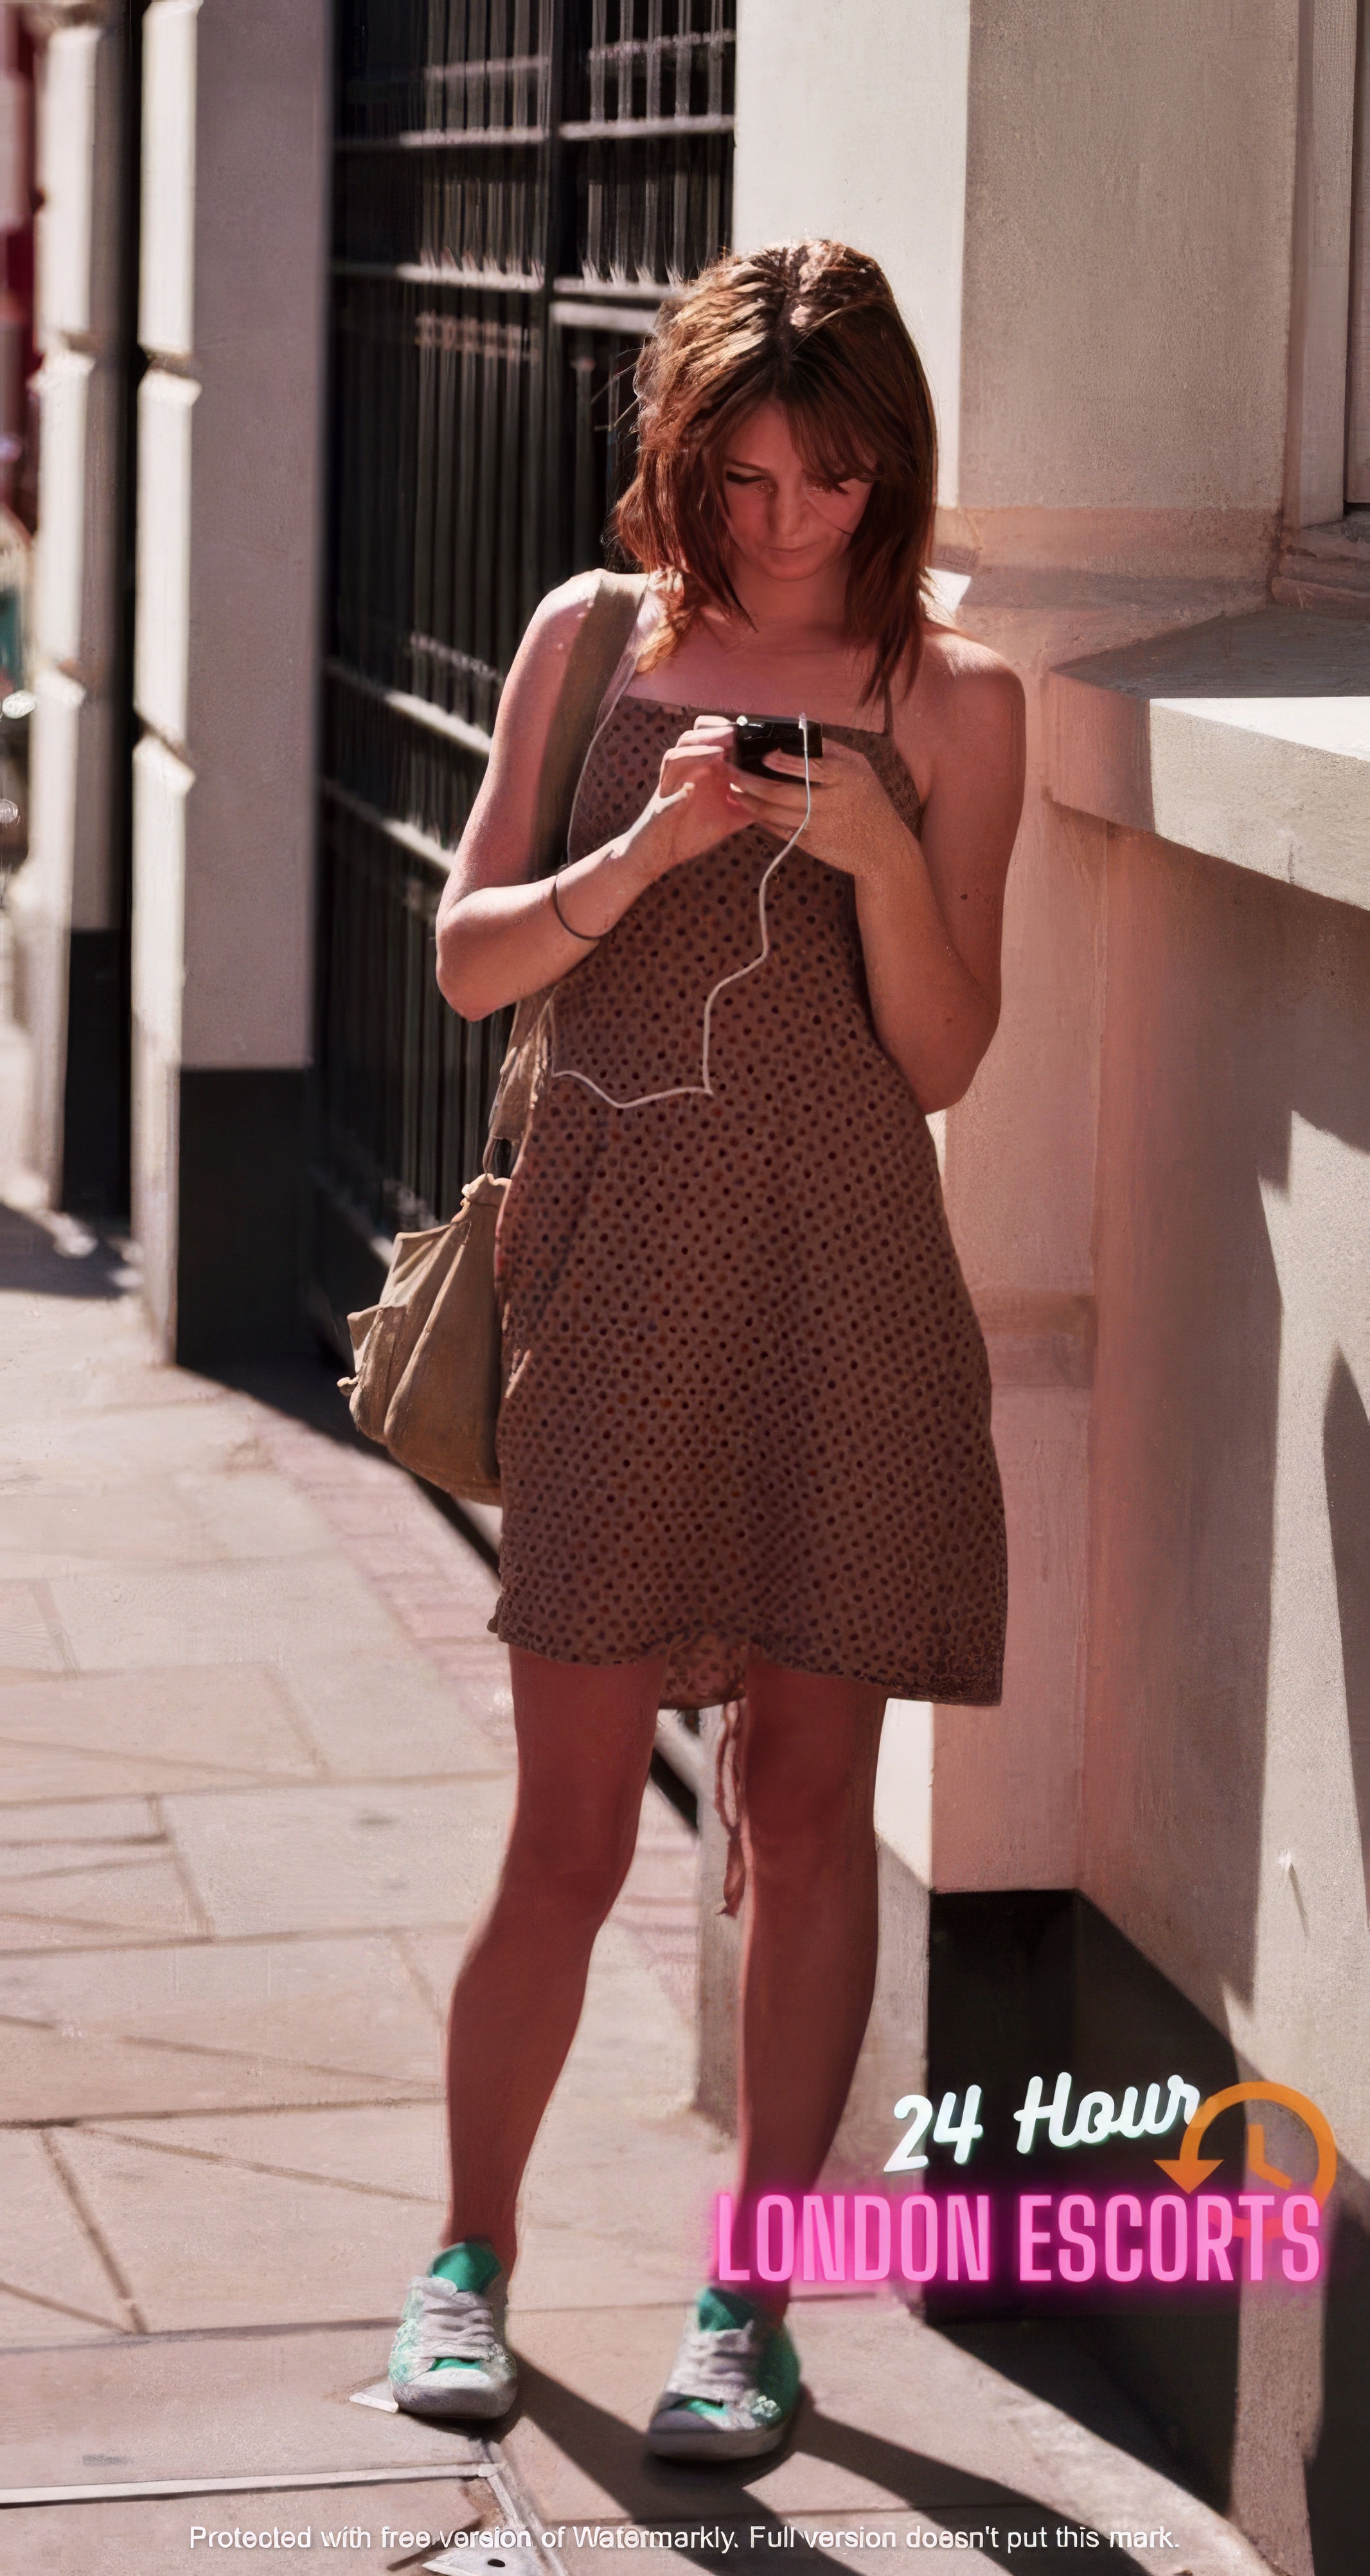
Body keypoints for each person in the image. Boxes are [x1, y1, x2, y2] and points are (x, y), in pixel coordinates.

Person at [386, 240, 1024, 2459]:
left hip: (845, 1298)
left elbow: (942, 1061)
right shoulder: (591, 644)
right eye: (742, 475)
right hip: (615, 1293)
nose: (781, 521)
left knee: (809, 1808)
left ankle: (748, 2300)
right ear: (683, 457)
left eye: (828, 481)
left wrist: (876, 860)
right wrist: (642, 856)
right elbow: (471, 968)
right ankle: (465, 2261)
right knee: (567, 1832)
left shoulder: (954, 703)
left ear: (888, 471)